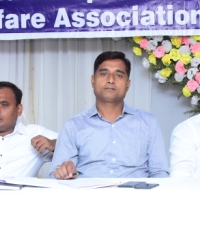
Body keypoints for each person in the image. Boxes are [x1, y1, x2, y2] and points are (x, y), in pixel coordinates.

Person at [51, 51, 169, 179]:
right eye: (104, 74)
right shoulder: (73, 126)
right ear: (93, 80)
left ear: (128, 84)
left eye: (118, 75)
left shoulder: (148, 123)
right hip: (88, 191)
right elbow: (54, 176)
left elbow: (160, 173)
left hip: (134, 191)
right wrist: (64, 171)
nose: (111, 80)